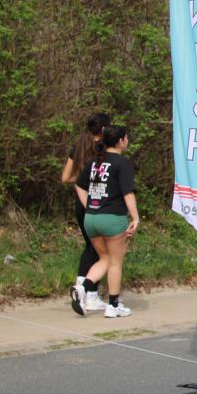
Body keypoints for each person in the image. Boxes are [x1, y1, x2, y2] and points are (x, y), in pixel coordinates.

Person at [71, 125, 139, 318]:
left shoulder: (95, 161)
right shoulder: (122, 163)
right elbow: (128, 193)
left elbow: (79, 185)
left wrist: (90, 205)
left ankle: (82, 288)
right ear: (120, 141)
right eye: (126, 138)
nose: (127, 141)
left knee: (105, 258)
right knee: (116, 262)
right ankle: (113, 305)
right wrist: (135, 217)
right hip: (112, 218)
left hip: (91, 218)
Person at [62, 113, 110, 313]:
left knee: (91, 247)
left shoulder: (79, 146)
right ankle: (87, 293)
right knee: (101, 250)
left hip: (80, 205)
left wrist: (82, 178)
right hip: (98, 202)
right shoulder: (104, 148)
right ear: (104, 129)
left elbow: (65, 177)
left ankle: (84, 290)